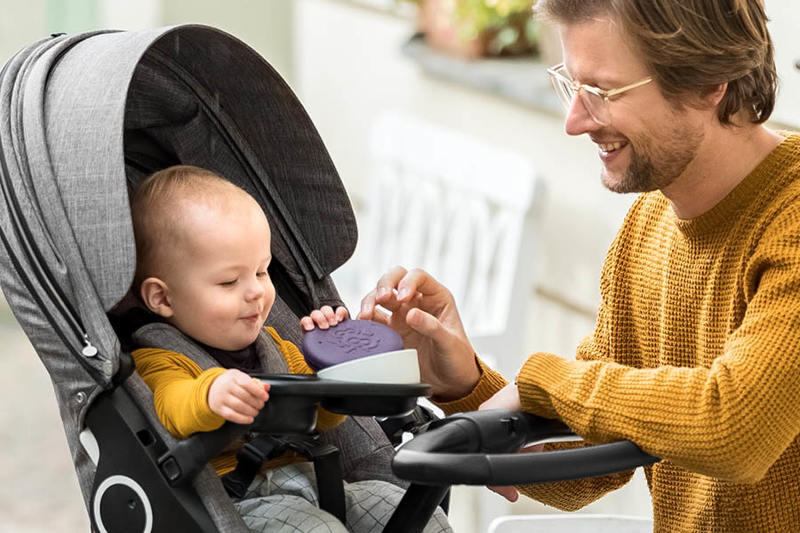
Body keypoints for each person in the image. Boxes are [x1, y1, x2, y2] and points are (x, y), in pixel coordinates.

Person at [359, 0, 800, 530]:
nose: (575, 121)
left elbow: (735, 430)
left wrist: (543, 382)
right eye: (572, 85)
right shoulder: (648, 225)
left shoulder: (790, 219)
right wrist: (467, 388)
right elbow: (589, 462)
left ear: (711, 82)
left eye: (603, 92)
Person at [130, 165, 451, 533]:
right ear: (162, 297)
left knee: (412, 511)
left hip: (315, 481)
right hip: (240, 500)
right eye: (229, 281)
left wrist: (332, 361)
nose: (255, 291)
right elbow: (173, 411)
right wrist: (211, 394)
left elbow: (327, 419)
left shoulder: (277, 346)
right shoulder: (159, 358)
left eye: (262, 272)